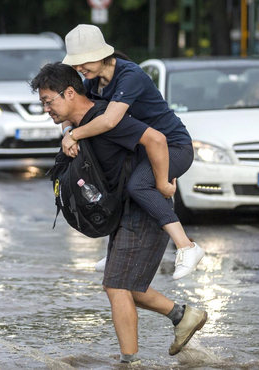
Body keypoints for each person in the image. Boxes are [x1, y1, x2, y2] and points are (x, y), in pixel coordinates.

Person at [31, 63, 208, 363]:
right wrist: (70, 134)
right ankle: (183, 316)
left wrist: (164, 180)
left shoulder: (105, 119)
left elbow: (156, 139)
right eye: (43, 103)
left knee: (116, 285)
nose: (46, 108)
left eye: (49, 101)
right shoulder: (83, 122)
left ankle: (130, 362)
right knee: (124, 283)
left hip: (145, 209)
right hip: (125, 208)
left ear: (70, 93)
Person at [60, 24, 204, 280]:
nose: (80, 68)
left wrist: (75, 135)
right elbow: (75, 110)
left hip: (173, 147)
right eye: (76, 63)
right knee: (116, 185)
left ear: (102, 55)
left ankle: (187, 247)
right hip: (143, 151)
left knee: (138, 186)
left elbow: (109, 121)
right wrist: (67, 131)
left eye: (83, 62)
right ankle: (115, 251)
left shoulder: (130, 75)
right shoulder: (93, 82)